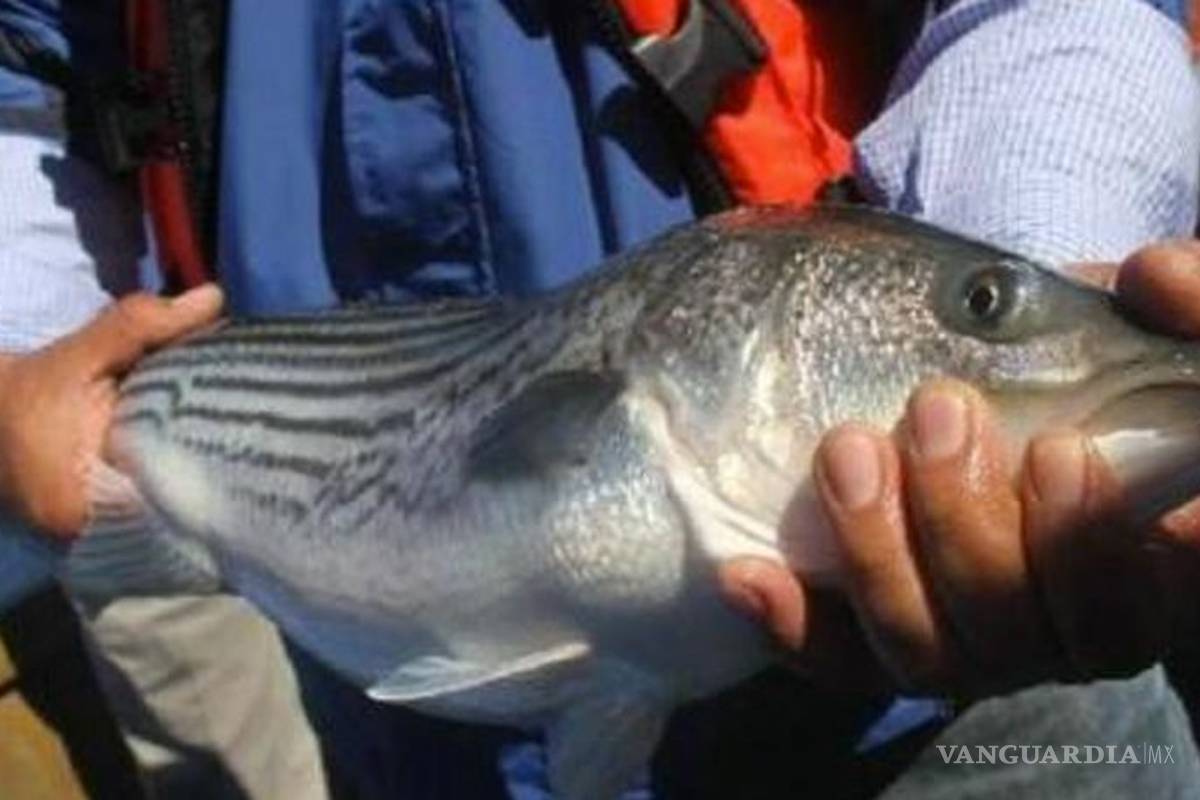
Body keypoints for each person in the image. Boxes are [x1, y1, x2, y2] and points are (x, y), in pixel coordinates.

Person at [0, 1, 1198, 799]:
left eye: (982, 307)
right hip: (400, 727)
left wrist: (1038, 241)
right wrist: (21, 335)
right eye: (985, 305)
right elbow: (27, 58)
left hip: (972, 729)